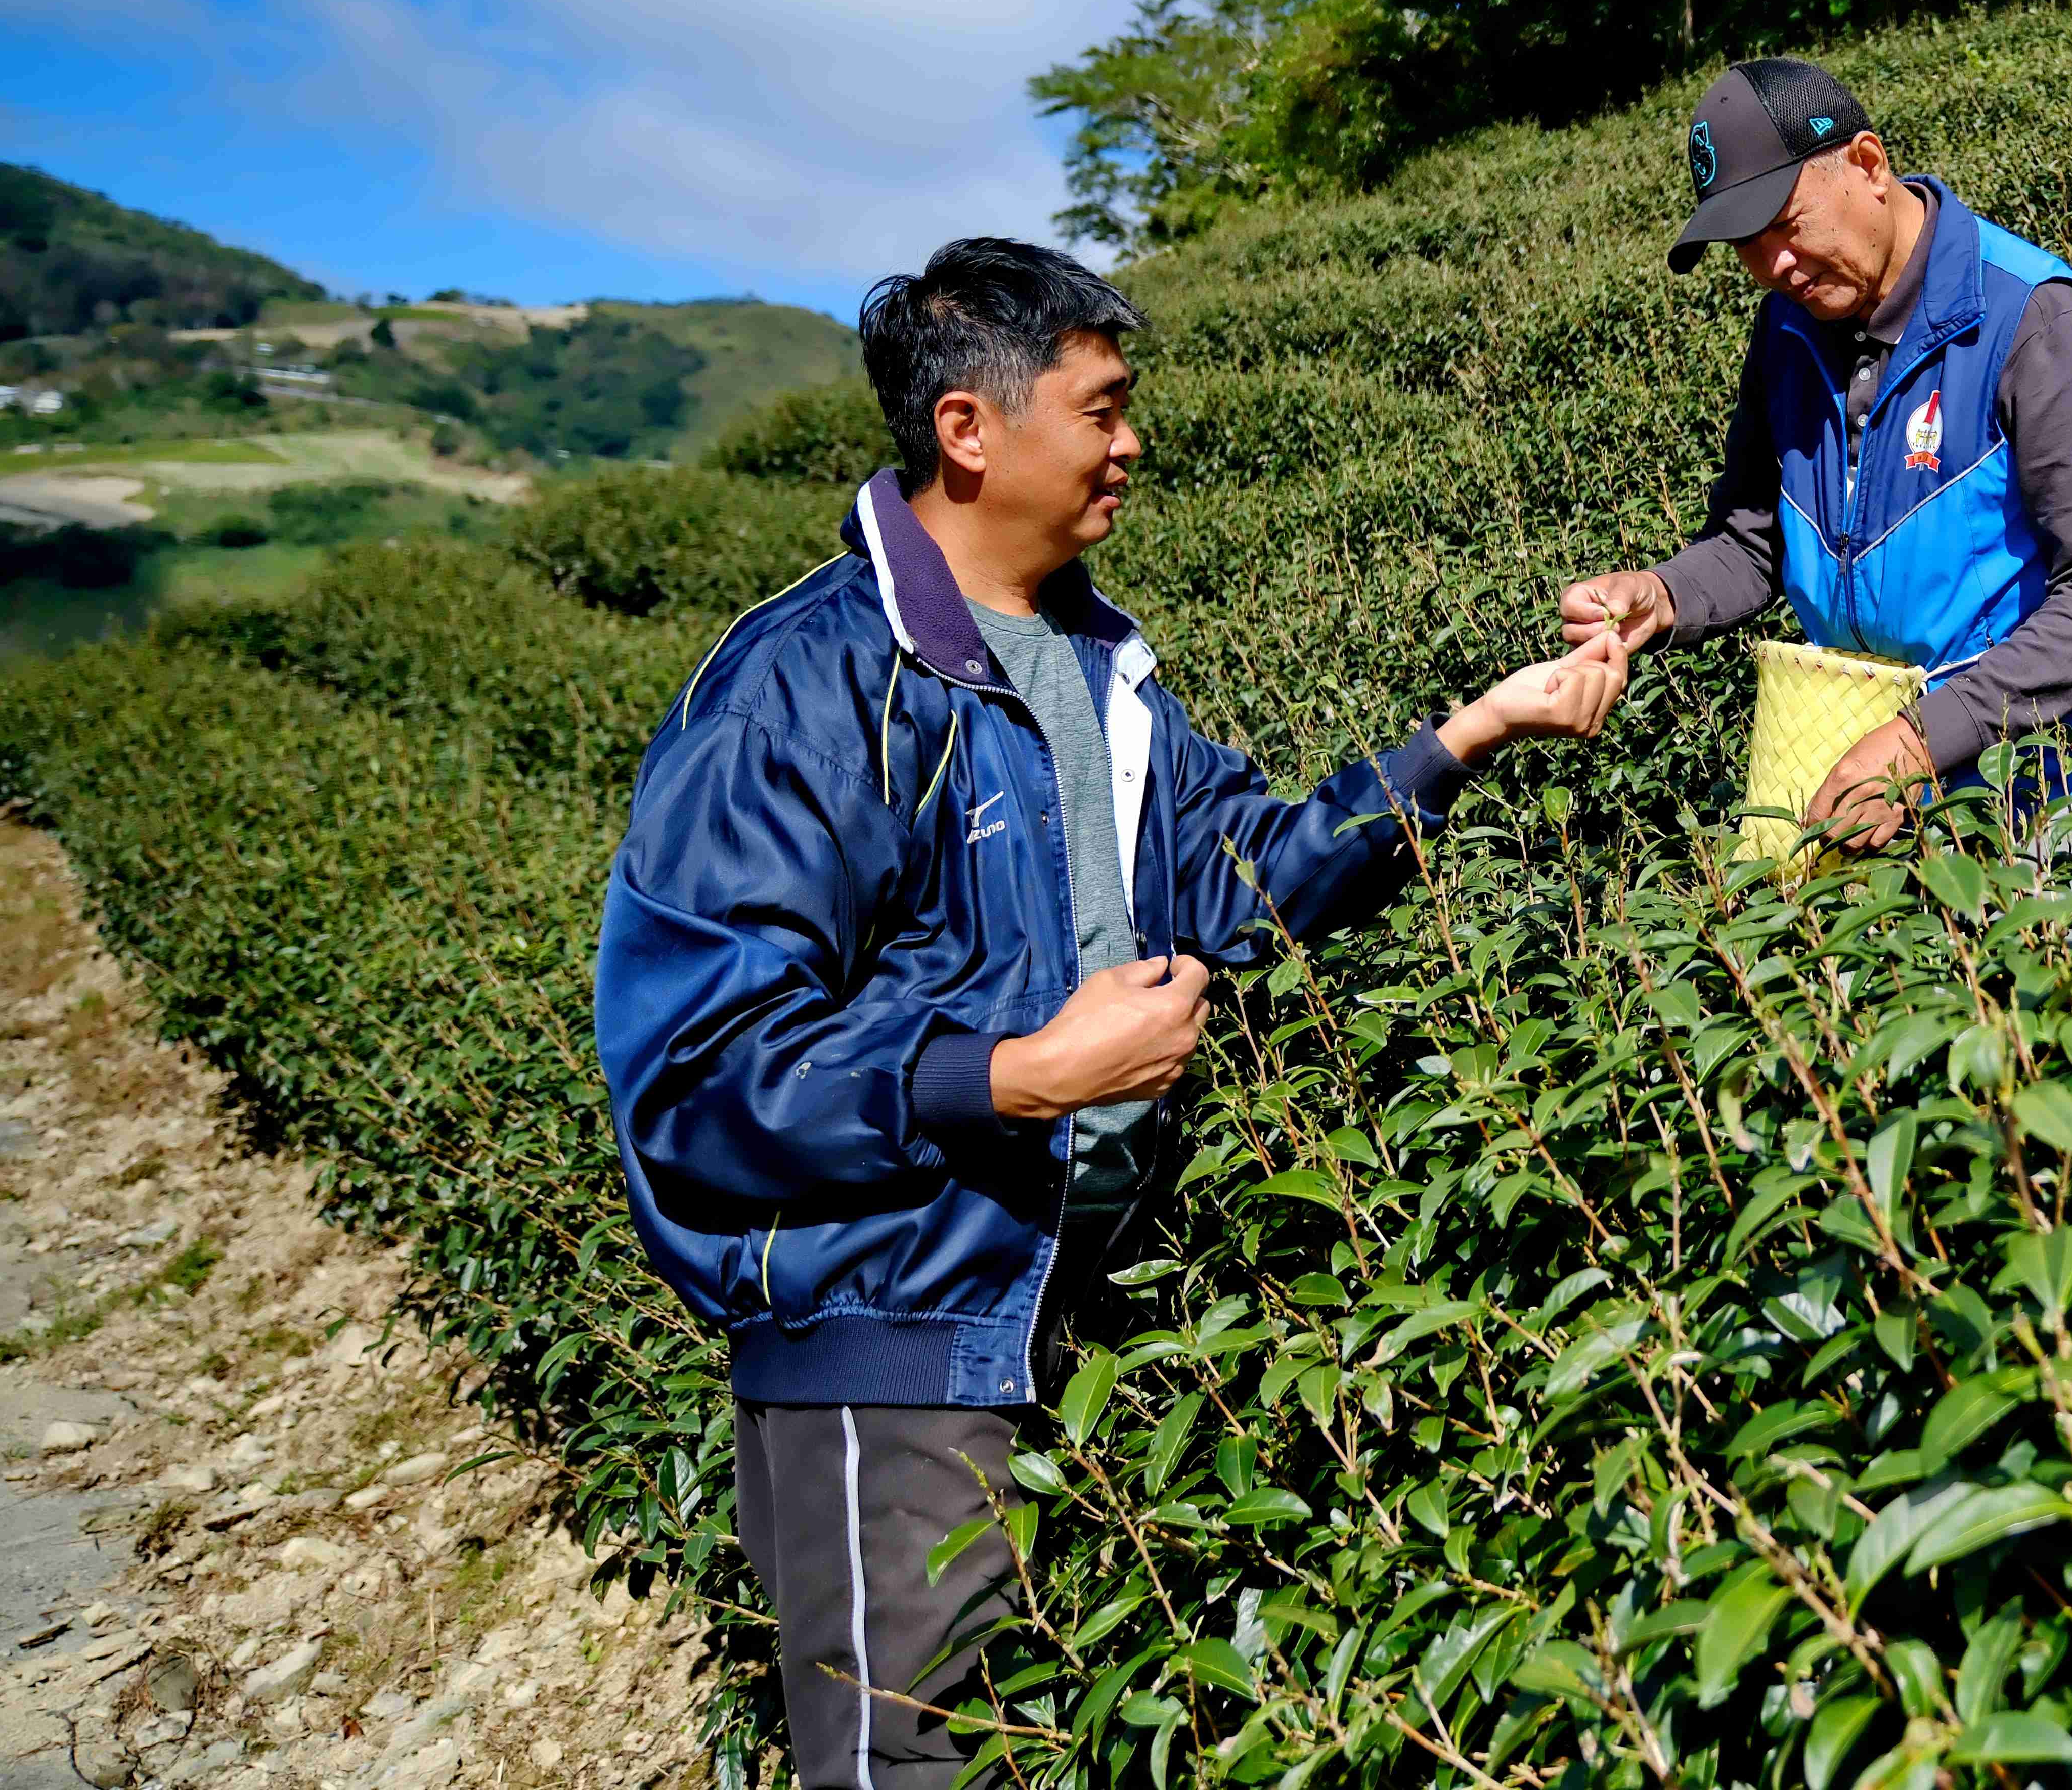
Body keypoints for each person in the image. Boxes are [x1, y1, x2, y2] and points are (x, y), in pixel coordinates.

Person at [592, 239, 1621, 1787]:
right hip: (895, 1337)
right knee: (915, 1765)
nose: (1133, 441)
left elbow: (1246, 880)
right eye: (1103, 406)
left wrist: (1472, 734)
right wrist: (1017, 1076)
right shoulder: (802, 690)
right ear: (969, 429)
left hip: (1083, 1306)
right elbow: (699, 1077)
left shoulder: (1095, 663)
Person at [1558, 58, 2072, 845]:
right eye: (1746, 245)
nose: (1773, 268)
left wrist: (1919, 742)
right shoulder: (1788, 329)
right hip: (1864, 785)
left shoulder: (2033, 320)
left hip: (2036, 798)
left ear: (1868, 165)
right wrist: (1661, 598)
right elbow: (1754, 539)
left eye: (1785, 225)